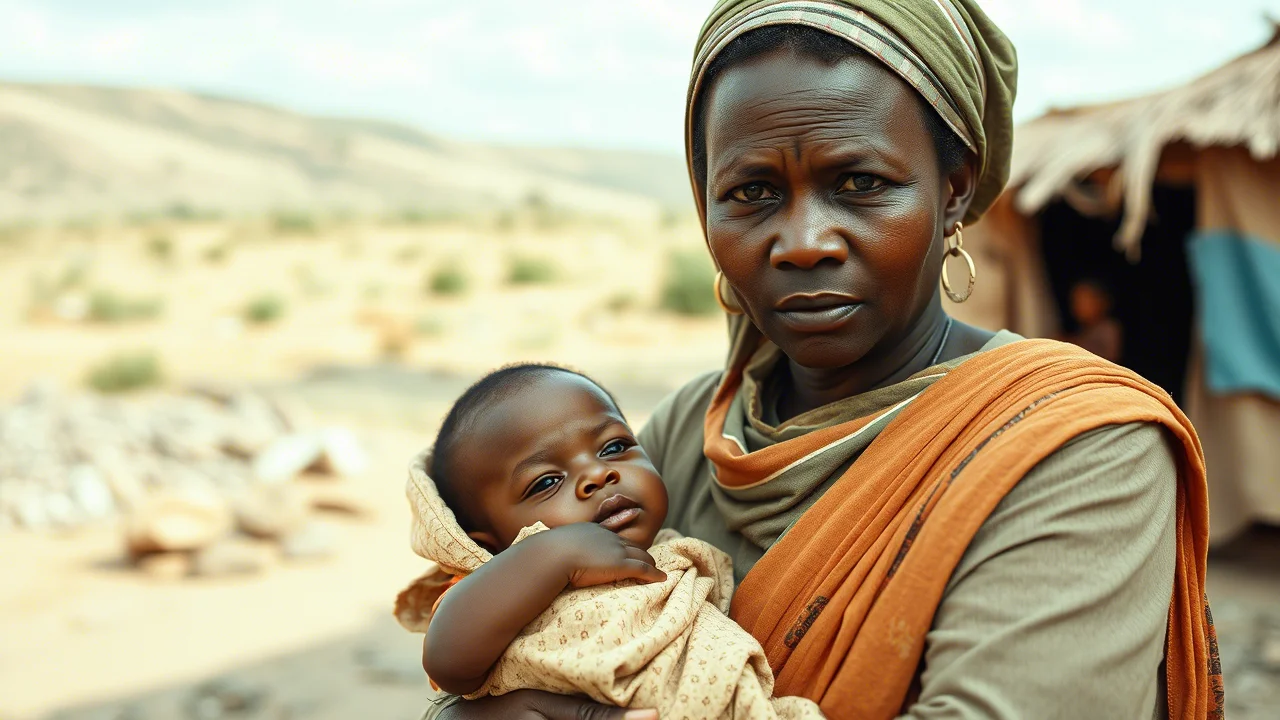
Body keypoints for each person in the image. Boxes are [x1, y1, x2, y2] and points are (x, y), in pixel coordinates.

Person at [421, 1, 1222, 718]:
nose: (803, 243)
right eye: (753, 193)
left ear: (952, 191)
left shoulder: (1074, 444)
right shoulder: (684, 437)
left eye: (861, 182)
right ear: (705, 207)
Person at [396, 364, 822, 720]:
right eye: (546, 482)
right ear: (488, 547)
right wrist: (552, 553)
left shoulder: (676, 554)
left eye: (615, 446)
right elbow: (447, 659)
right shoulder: (504, 589)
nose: (597, 476)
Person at [1064, 277, 1124, 362]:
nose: (1078, 307)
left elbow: (1110, 356)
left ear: (1101, 302)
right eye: (1075, 301)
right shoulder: (1083, 329)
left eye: (1085, 301)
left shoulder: (1108, 328)